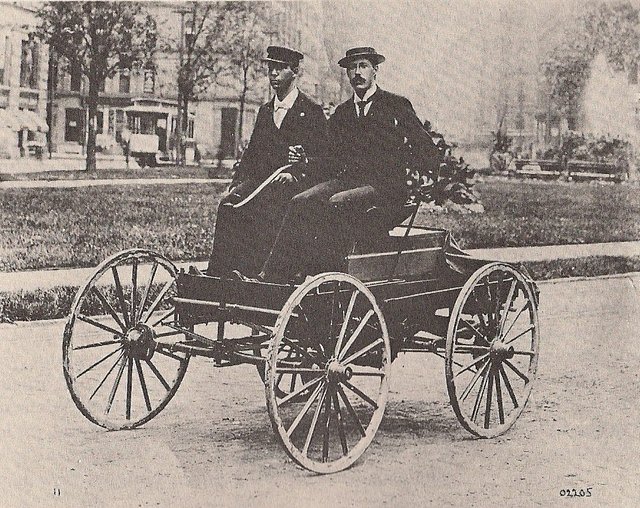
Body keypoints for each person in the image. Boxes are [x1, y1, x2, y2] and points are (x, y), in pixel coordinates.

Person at [250, 47, 441, 283]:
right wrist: (306, 162)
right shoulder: (343, 113)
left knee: (337, 203)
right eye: (352, 68)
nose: (357, 73)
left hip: (387, 189)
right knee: (301, 201)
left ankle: (328, 274)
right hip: (348, 182)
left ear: (375, 70)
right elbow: (330, 159)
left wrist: (427, 177)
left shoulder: (396, 105)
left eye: (363, 66)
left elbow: (425, 147)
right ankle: (276, 276)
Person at [205, 46, 328, 277]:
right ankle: (218, 274)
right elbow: (252, 155)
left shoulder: (311, 111)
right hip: (263, 181)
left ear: (295, 71)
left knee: (270, 209)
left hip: (295, 184)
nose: (273, 74)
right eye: (271, 68)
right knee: (229, 205)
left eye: (280, 68)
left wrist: (298, 172)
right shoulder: (265, 111)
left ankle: (262, 274)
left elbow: (324, 159)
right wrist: (237, 183)